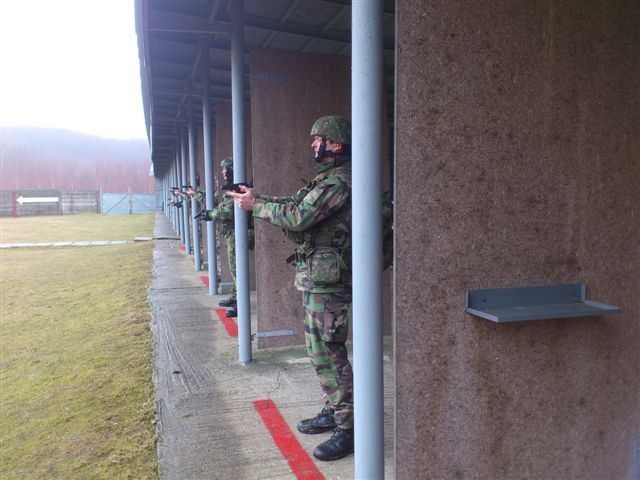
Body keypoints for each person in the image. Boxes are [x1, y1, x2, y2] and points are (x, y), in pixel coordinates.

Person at [228, 115, 354, 461]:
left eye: (318, 139)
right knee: (319, 350)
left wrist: (257, 207)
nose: (313, 144)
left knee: (329, 350)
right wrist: (259, 198)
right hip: (319, 279)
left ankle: (348, 426)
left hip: (330, 282)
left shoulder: (339, 183)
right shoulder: (327, 179)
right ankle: (334, 409)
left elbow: (299, 218)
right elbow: (297, 205)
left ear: (335, 144)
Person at [204, 158, 238, 317]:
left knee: (237, 270)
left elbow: (229, 210)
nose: (223, 172)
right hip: (232, 234)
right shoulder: (230, 188)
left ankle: (240, 304)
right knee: (234, 269)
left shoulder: (237, 188)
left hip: (237, 234)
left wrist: (212, 214)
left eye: (226, 169)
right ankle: (235, 297)